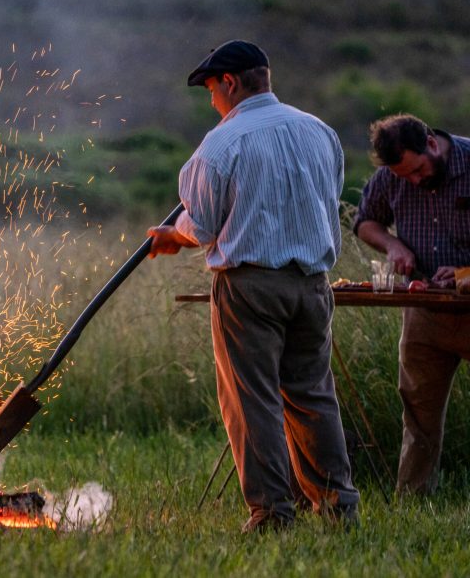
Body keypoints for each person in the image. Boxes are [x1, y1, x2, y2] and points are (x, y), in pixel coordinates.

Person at [148, 39, 359, 532]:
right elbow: (325, 199)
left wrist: (171, 235)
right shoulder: (319, 132)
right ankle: (337, 508)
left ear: (230, 83)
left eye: (211, 91)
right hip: (312, 284)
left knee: (253, 399)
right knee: (312, 395)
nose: (212, 102)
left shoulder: (222, 143)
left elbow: (200, 225)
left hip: (250, 286)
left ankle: (271, 513)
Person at [354, 114, 470, 494]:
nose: (415, 181)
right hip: (424, 311)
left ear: (432, 145)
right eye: (406, 177)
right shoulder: (392, 176)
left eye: (419, 171)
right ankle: (415, 499)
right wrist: (393, 245)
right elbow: (365, 221)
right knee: (418, 414)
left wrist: (464, 272)